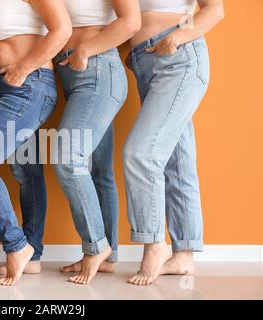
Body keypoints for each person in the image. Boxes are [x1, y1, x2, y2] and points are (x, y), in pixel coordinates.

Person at [0, 0, 72, 286]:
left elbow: (62, 29)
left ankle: (17, 244)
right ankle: (32, 257)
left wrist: (22, 68)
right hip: (8, 87)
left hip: (30, 84)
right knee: (26, 172)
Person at [123, 0, 225, 286]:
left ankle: (154, 243)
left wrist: (177, 37)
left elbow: (214, 10)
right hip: (147, 63)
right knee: (177, 161)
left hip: (178, 59)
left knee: (141, 153)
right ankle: (184, 256)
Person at [53, 0, 141, 285]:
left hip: (98, 70)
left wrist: (85, 50)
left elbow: (131, 20)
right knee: (99, 171)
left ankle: (96, 246)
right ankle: (109, 255)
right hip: (75, 74)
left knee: (68, 158)